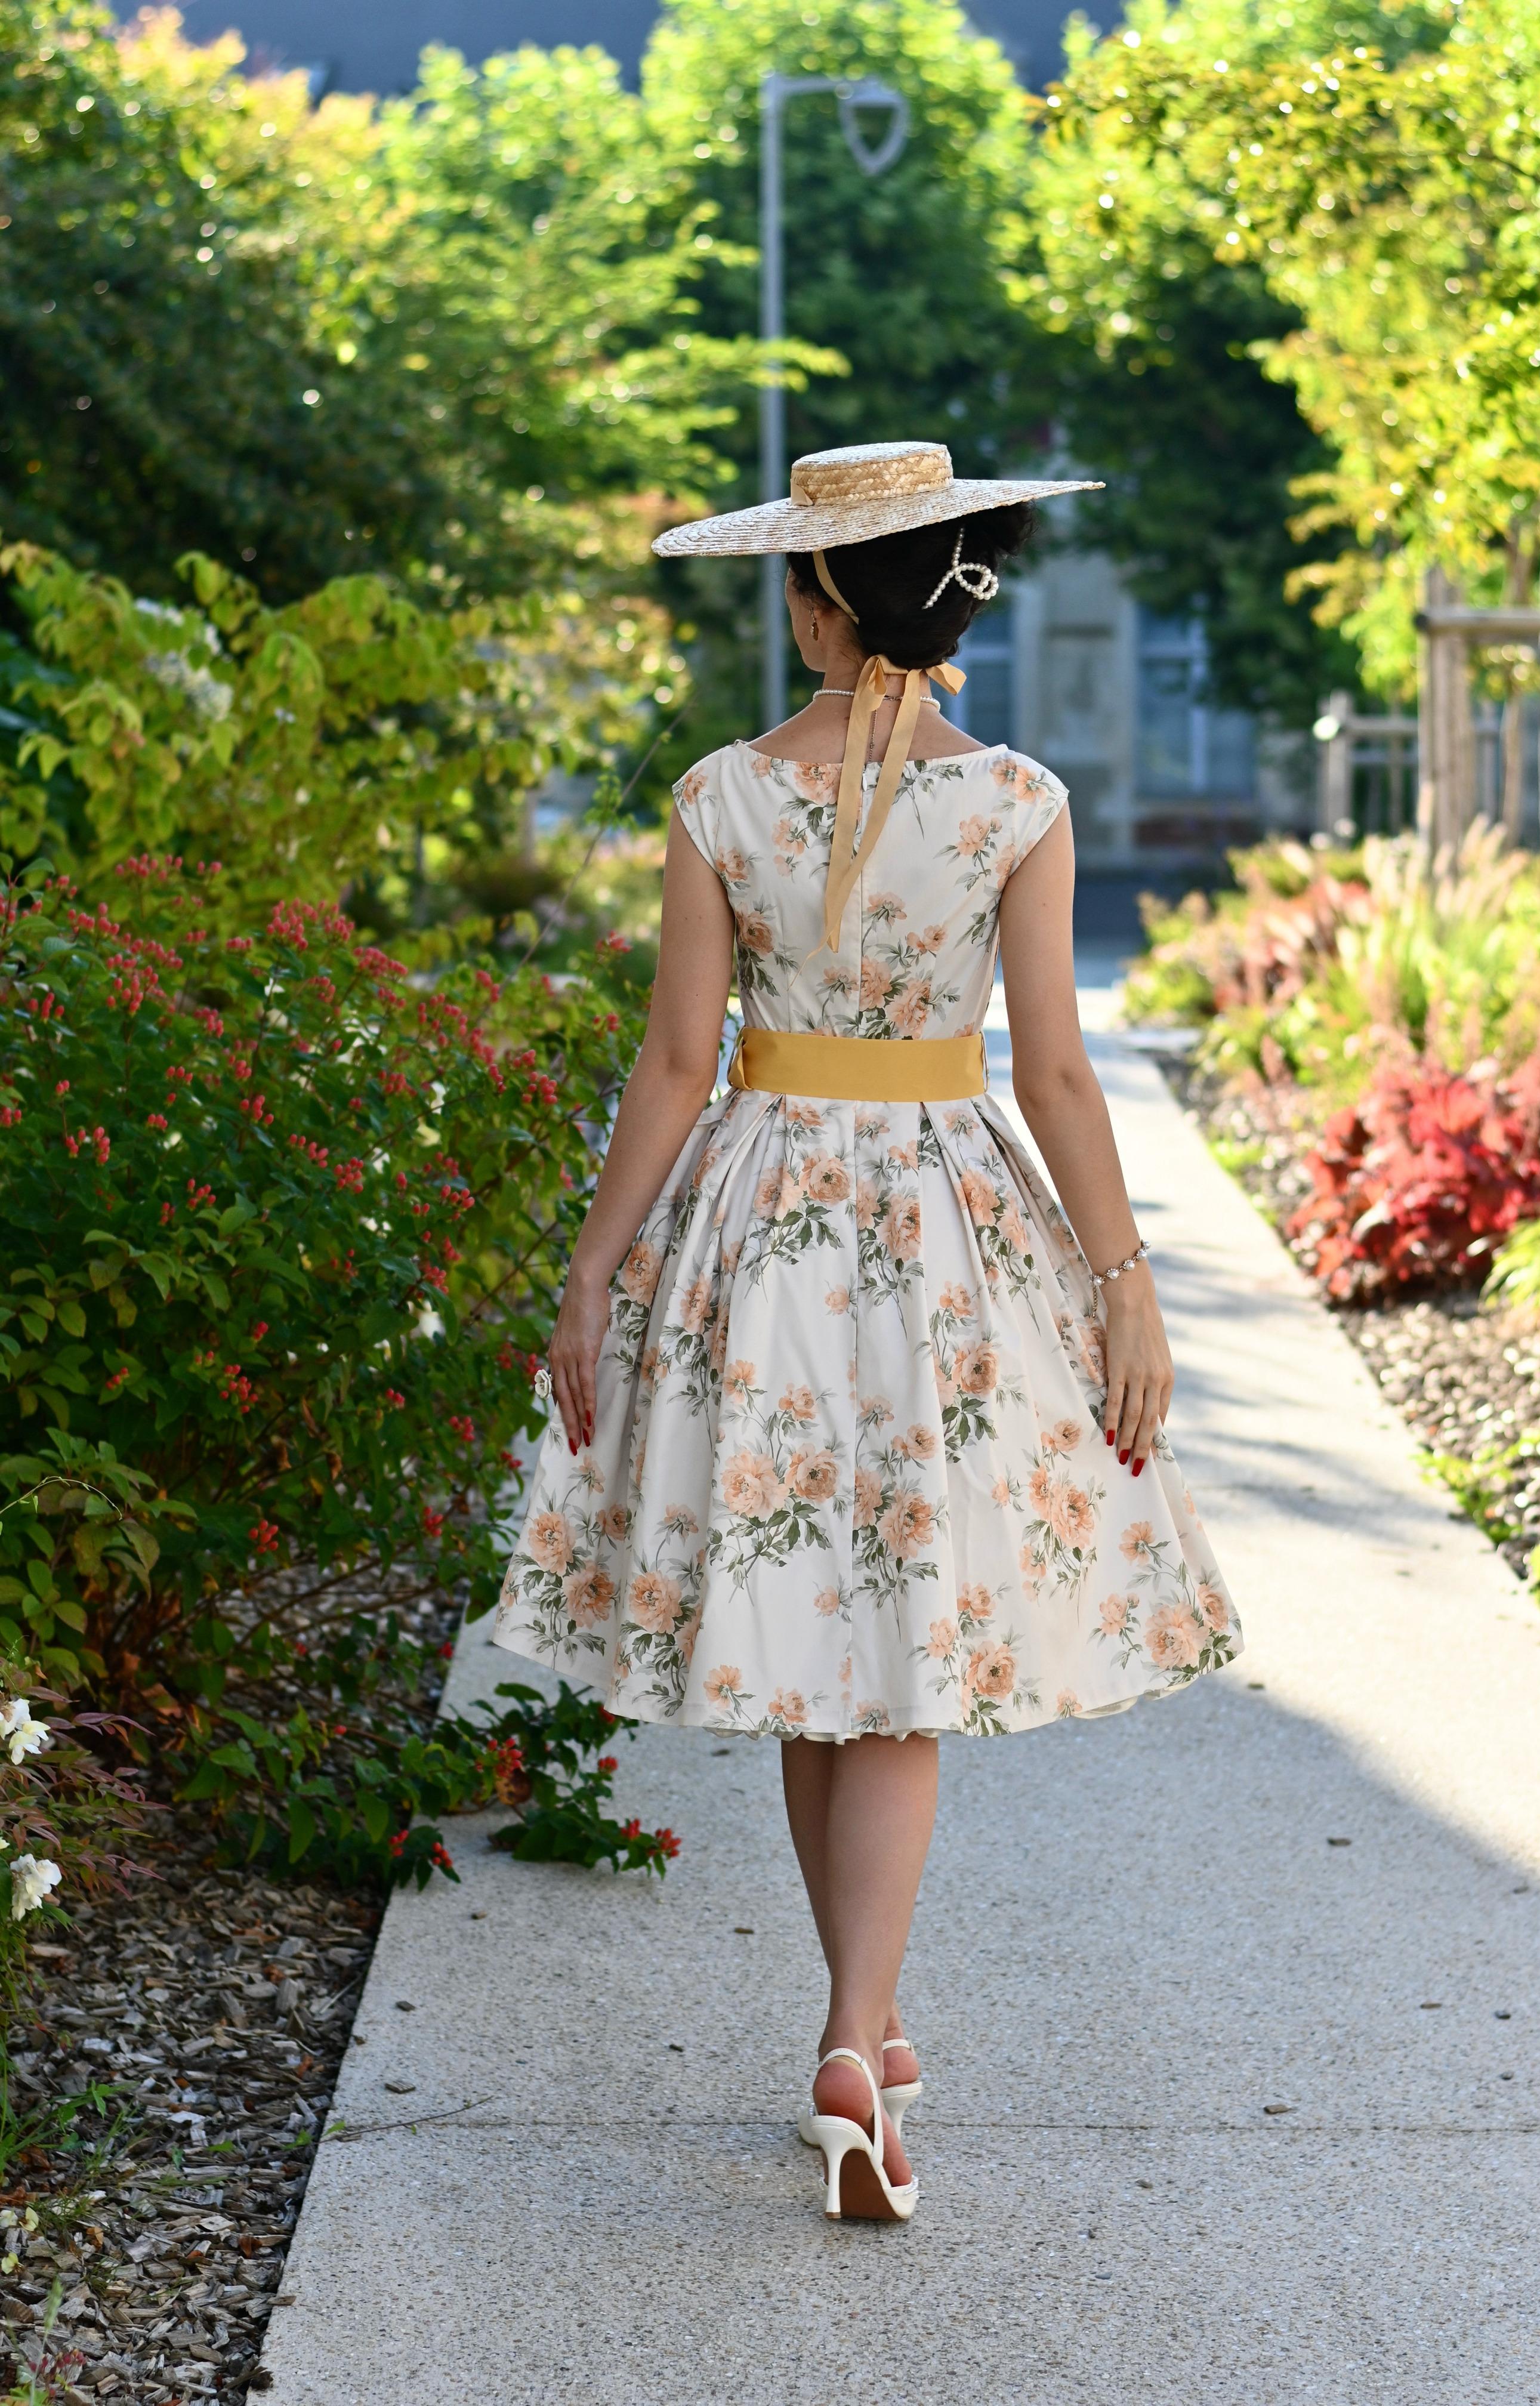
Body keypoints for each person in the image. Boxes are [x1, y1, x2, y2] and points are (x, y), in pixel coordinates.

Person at [494, 440, 1242, 2222]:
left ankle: (863, 2022)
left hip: (758, 1227)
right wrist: (1123, 1284)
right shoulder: (1019, 803)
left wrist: (595, 1271)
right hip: (946, 1229)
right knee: (897, 1636)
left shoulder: (719, 797)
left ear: (825, 608)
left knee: (810, 1636)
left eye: (796, 581)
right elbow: (1052, 1067)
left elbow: (679, 1064)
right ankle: (856, 2033)